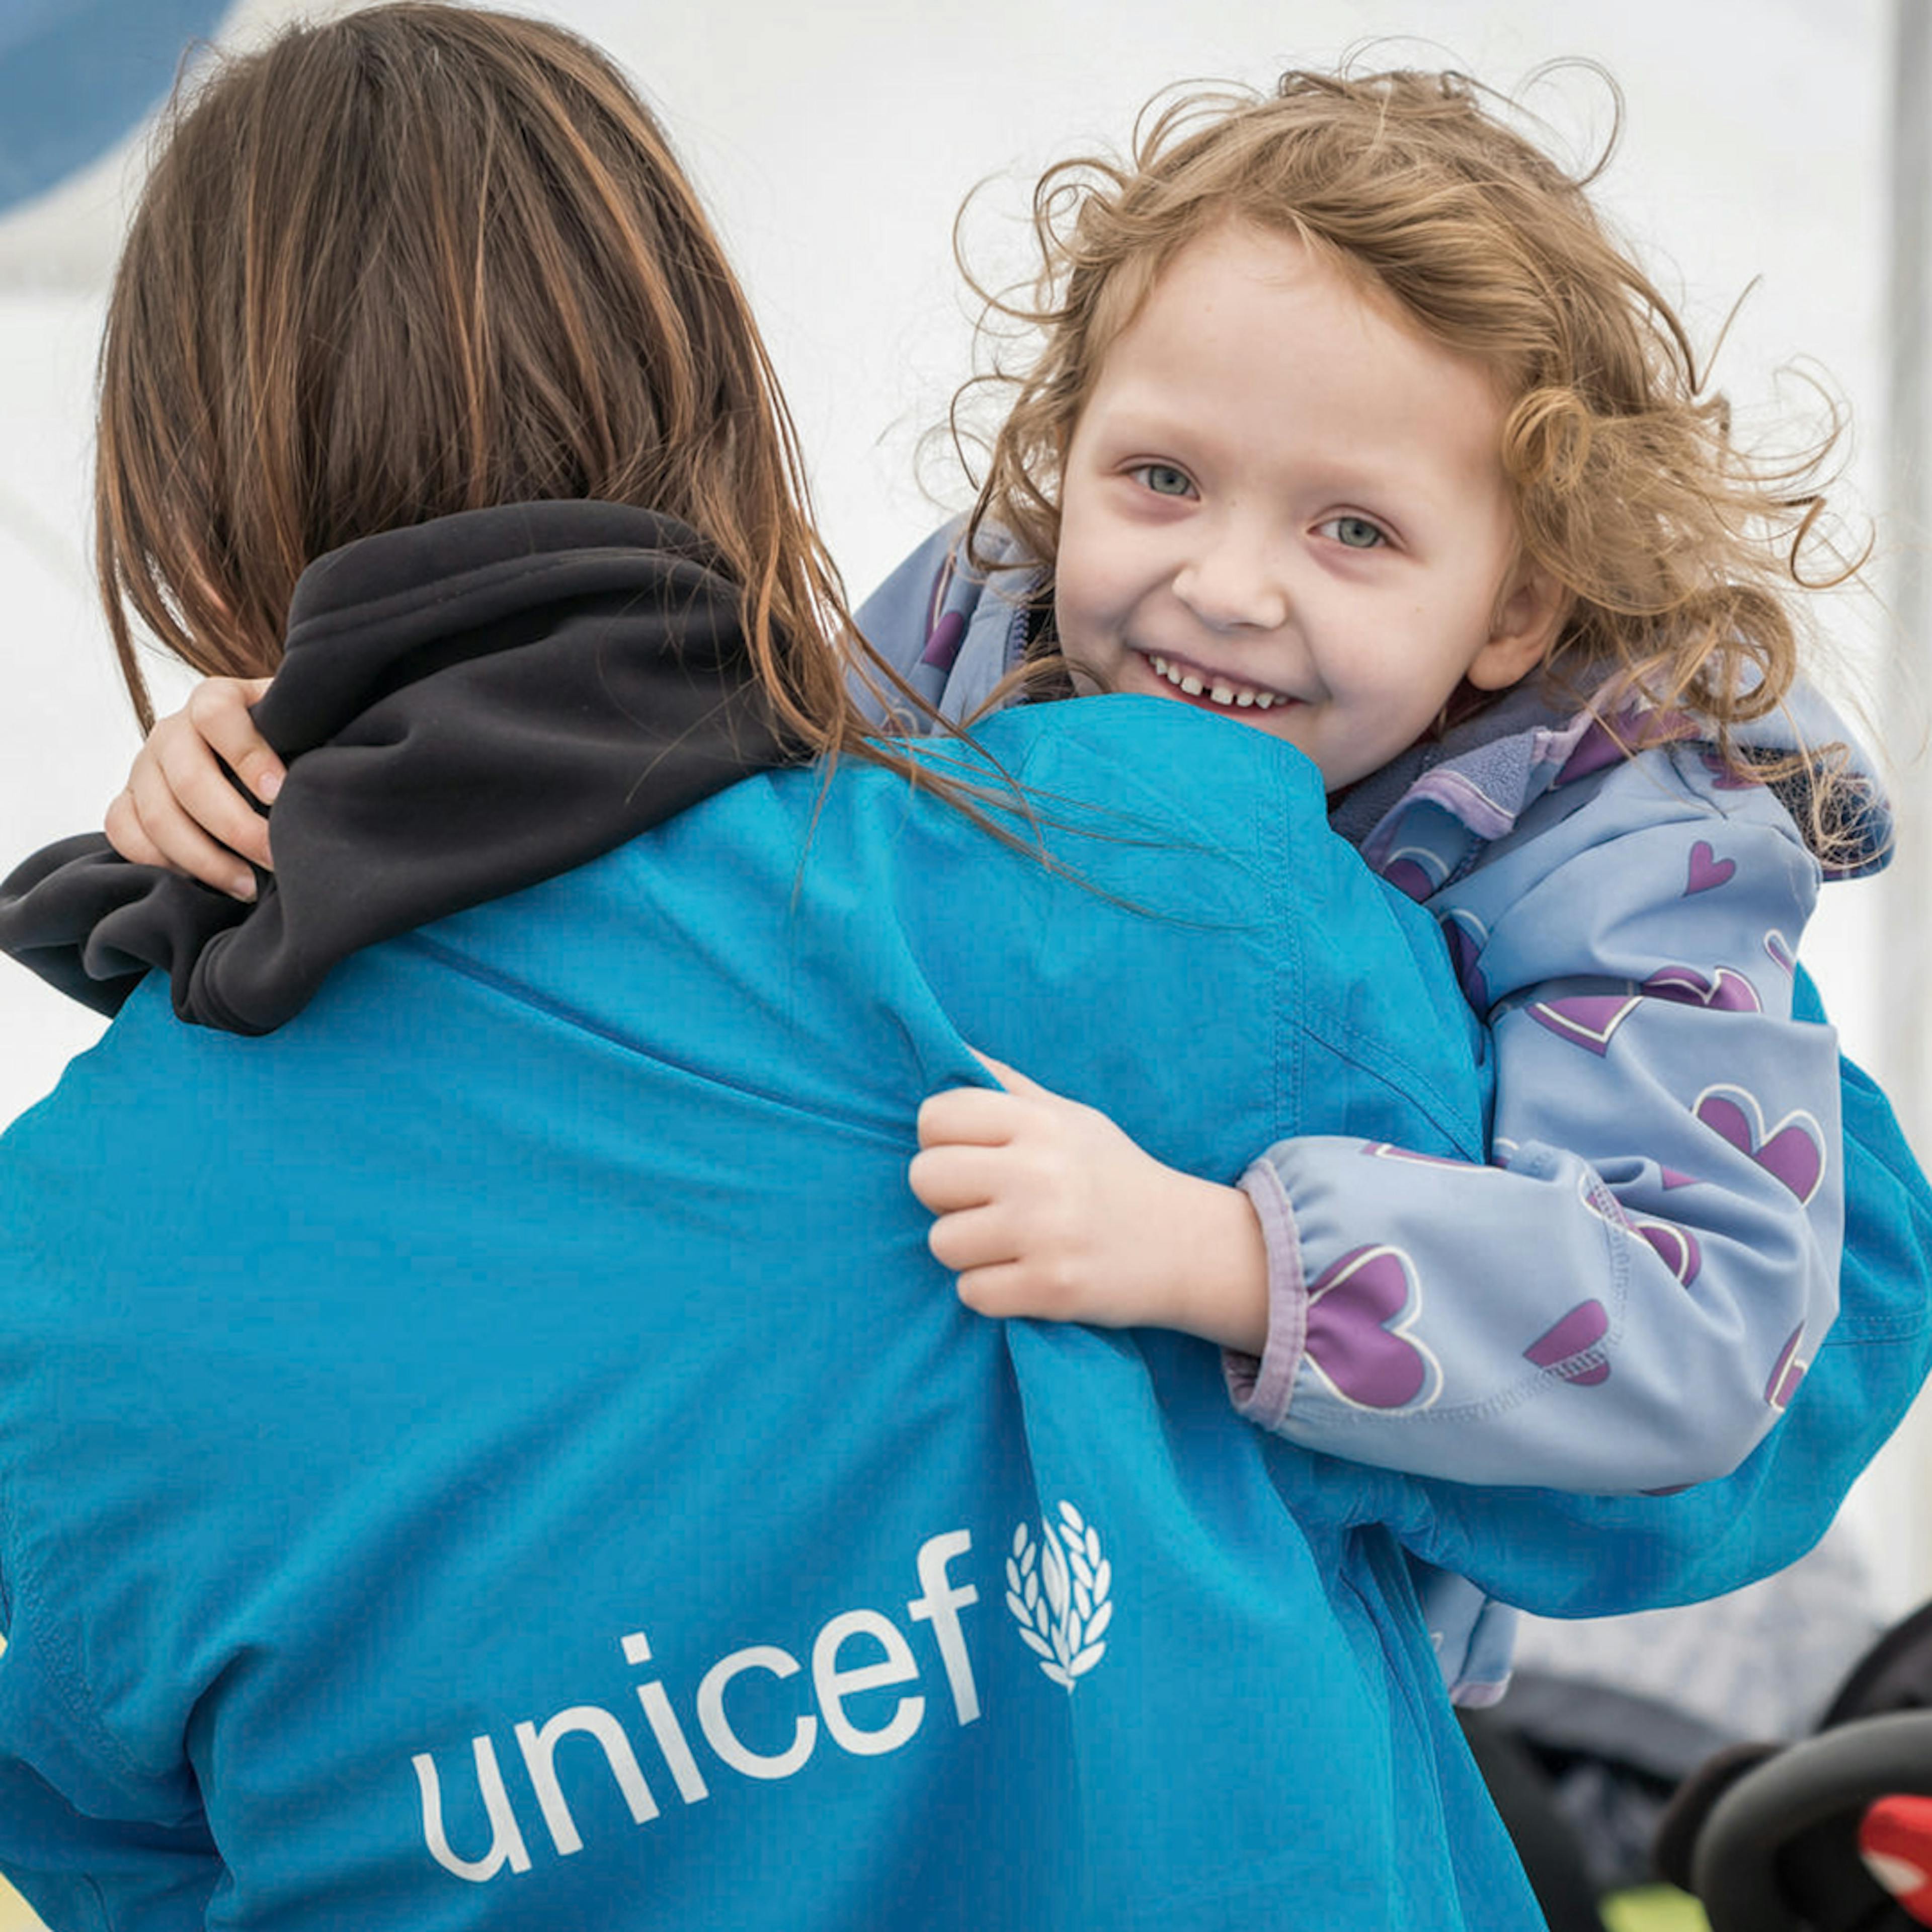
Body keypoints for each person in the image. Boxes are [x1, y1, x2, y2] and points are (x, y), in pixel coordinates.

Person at [21, 10, 1925, 1928]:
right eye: (1159, 481)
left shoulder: (60, 1261)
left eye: (1353, 528)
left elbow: (101, 1839)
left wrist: (299, 798)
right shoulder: (1121, 834)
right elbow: (1775, 1389)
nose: (1230, 587)